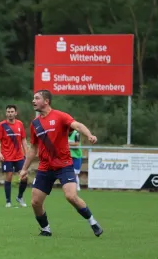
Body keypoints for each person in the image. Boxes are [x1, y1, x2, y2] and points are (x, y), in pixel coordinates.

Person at [20, 90, 103, 237]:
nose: (33, 101)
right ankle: (46, 229)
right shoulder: (35, 124)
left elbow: (77, 125)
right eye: (33, 98)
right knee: (35, 202)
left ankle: (93, 222)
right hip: (45, 167)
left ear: (46, 101)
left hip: (64, 164)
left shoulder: (60, 116)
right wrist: (24, 168)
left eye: (37, 98)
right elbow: (33, 148)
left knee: (71, 196)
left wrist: (89, 135)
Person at [0, 105, 28, 208]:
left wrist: (27, 153)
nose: (10, 113)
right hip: (7, 157)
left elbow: (23, 139)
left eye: (12, 111)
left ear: (15, 113)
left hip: (19, 156)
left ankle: (19, 197)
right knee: (8, 177)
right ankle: (8, 201)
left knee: (24, 177)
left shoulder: (20, 124)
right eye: (8, 111)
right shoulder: (2, 125)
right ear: (6, 113)